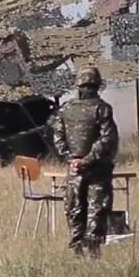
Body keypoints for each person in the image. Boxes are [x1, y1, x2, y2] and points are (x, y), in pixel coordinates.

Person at [49, 66, 119, 257]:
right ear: (97, 85)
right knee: (97, 209)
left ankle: (77, 250)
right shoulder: (102, 108)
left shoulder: (65, 109)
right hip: (98, 170)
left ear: (78, 84)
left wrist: (71, 160)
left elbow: (58, 138)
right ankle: (93, 251)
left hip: (75, 170)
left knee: (74, 208)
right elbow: (107, 140)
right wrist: (87, 160)